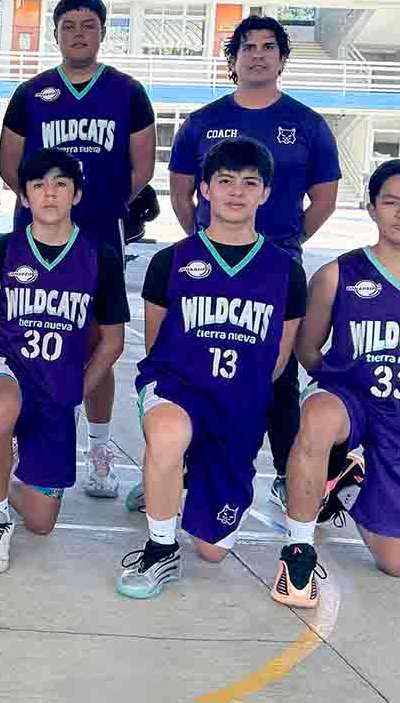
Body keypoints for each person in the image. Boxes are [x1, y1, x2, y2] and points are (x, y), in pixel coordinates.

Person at [272, 160, 400, 606]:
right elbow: (309, 351)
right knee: (317, 416)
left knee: (396, 563)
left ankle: (347, 485)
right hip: (350, 401)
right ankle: (299, 549)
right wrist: (334, 385)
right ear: (372, 208)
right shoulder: (338, 274)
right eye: (391, 202)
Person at [153, 14, 340, 513]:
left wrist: (291, 239)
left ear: (282, 57)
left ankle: (288, 474)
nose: (257, 54)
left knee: (279, 375)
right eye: (247, 46)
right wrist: (206, 242)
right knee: (192, 367)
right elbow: (180, 189)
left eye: (267, 46)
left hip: (273, 261)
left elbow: (323, 197)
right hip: (211, 261)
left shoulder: (308, 124)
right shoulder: (203, 120)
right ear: (232, 59)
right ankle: (173, 466)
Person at [116, 137, 305, 599]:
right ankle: (160, 548)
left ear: (265, 193)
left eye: (249, 182)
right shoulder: (171, 262)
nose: (236, 192)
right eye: (224, 181)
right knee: (168, 433)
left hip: (238, 408)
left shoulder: (286, 272)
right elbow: (158, 343)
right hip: (177, 388)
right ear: (203, 190)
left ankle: (174, 474)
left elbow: (279, 357)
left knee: (213, 549)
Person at [0, 0, 156, 499]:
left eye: (89, 25)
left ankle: (100, 448)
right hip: (37, 234)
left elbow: (144, 166)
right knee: (27, 331)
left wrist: (101, 204)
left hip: (96, 232)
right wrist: (46, 207)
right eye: (69, 26)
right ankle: (20, 438)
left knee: (95, 341)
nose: (79, 33)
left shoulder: (127, 92)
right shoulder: (32, 93)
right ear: (57, 33)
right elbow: (9, 165)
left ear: (103, 32)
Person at [0, 148, 128, 573]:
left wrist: (78, 391)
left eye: (60, 185)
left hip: (58, 388)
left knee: (40, 522)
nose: (49, 194)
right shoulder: (3, 250)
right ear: (23, 198)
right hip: (11, 366)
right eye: (38, 185)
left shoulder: (100, 256)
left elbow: (112, 340)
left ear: (76, 195)